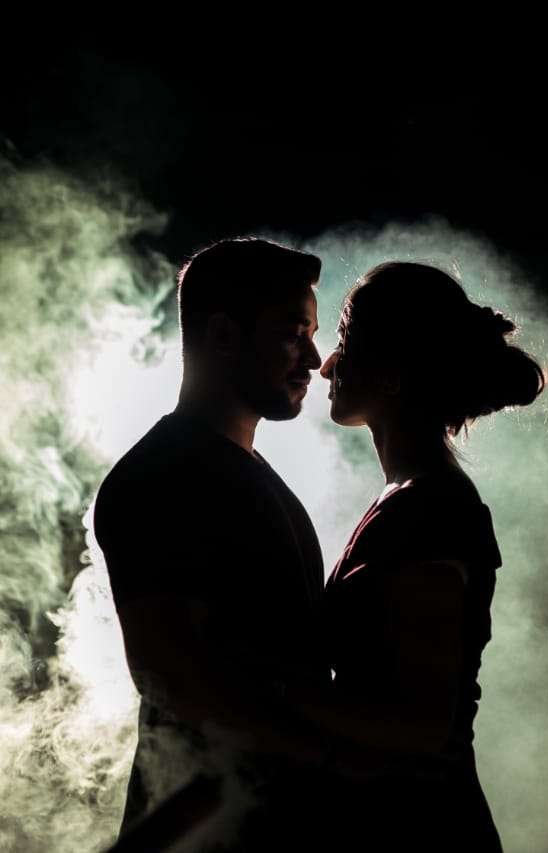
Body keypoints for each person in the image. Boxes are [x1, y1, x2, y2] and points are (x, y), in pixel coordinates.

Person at [290, 261, 548, 850]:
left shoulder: (433, 510)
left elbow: (421, 726)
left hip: (424, 828)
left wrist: (268, 689)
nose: (327, 364)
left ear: (391, 374)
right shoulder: (411, 500)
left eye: (346, 340)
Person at [92, 237, 339, 847]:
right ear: (224, 335)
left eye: (312, 334)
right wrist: (335, 757)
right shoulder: (159, 476)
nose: (314, 358)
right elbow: (170, 674)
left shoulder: (251, 473)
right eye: (294, 334)